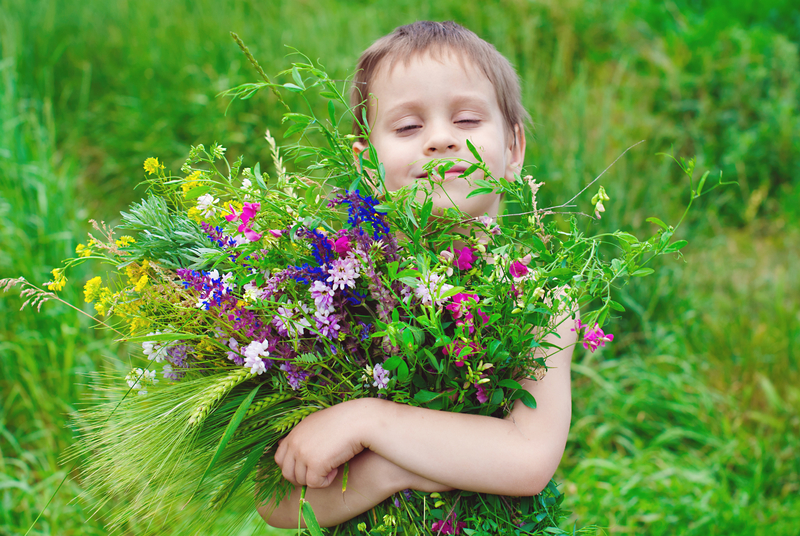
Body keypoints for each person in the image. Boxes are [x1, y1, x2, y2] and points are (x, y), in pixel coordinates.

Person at [257, 20, 577, 528]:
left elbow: (527, 460)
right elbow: (279, 505)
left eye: (468, 120)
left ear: (514, 149)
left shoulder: (538, 297)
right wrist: (391, 472)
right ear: (366, 164)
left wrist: (369, 422)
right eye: (408, 127)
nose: (441, 139)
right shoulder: (336, 296)